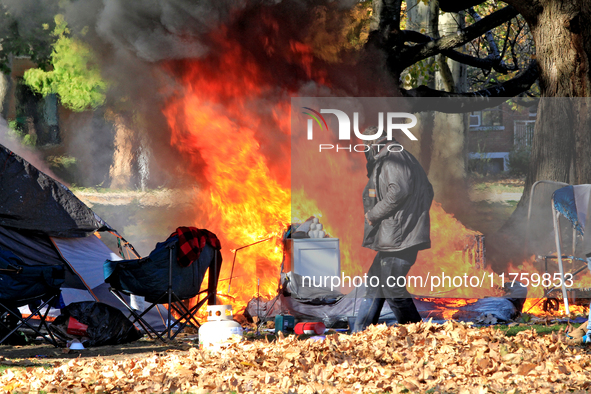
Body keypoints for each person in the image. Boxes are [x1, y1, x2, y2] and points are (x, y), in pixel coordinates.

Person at [353, 128, 433, 332]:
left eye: (365, 144)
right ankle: (359, 333)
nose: (364, 149)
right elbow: (427, 190)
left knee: (392, 288)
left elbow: (399, 191)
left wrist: (374, 214)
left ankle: (417, 334)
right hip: (396, 234)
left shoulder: (392, 158)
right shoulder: (394, 156)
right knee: (375, 284)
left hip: (399, 237)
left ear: (373, 143)